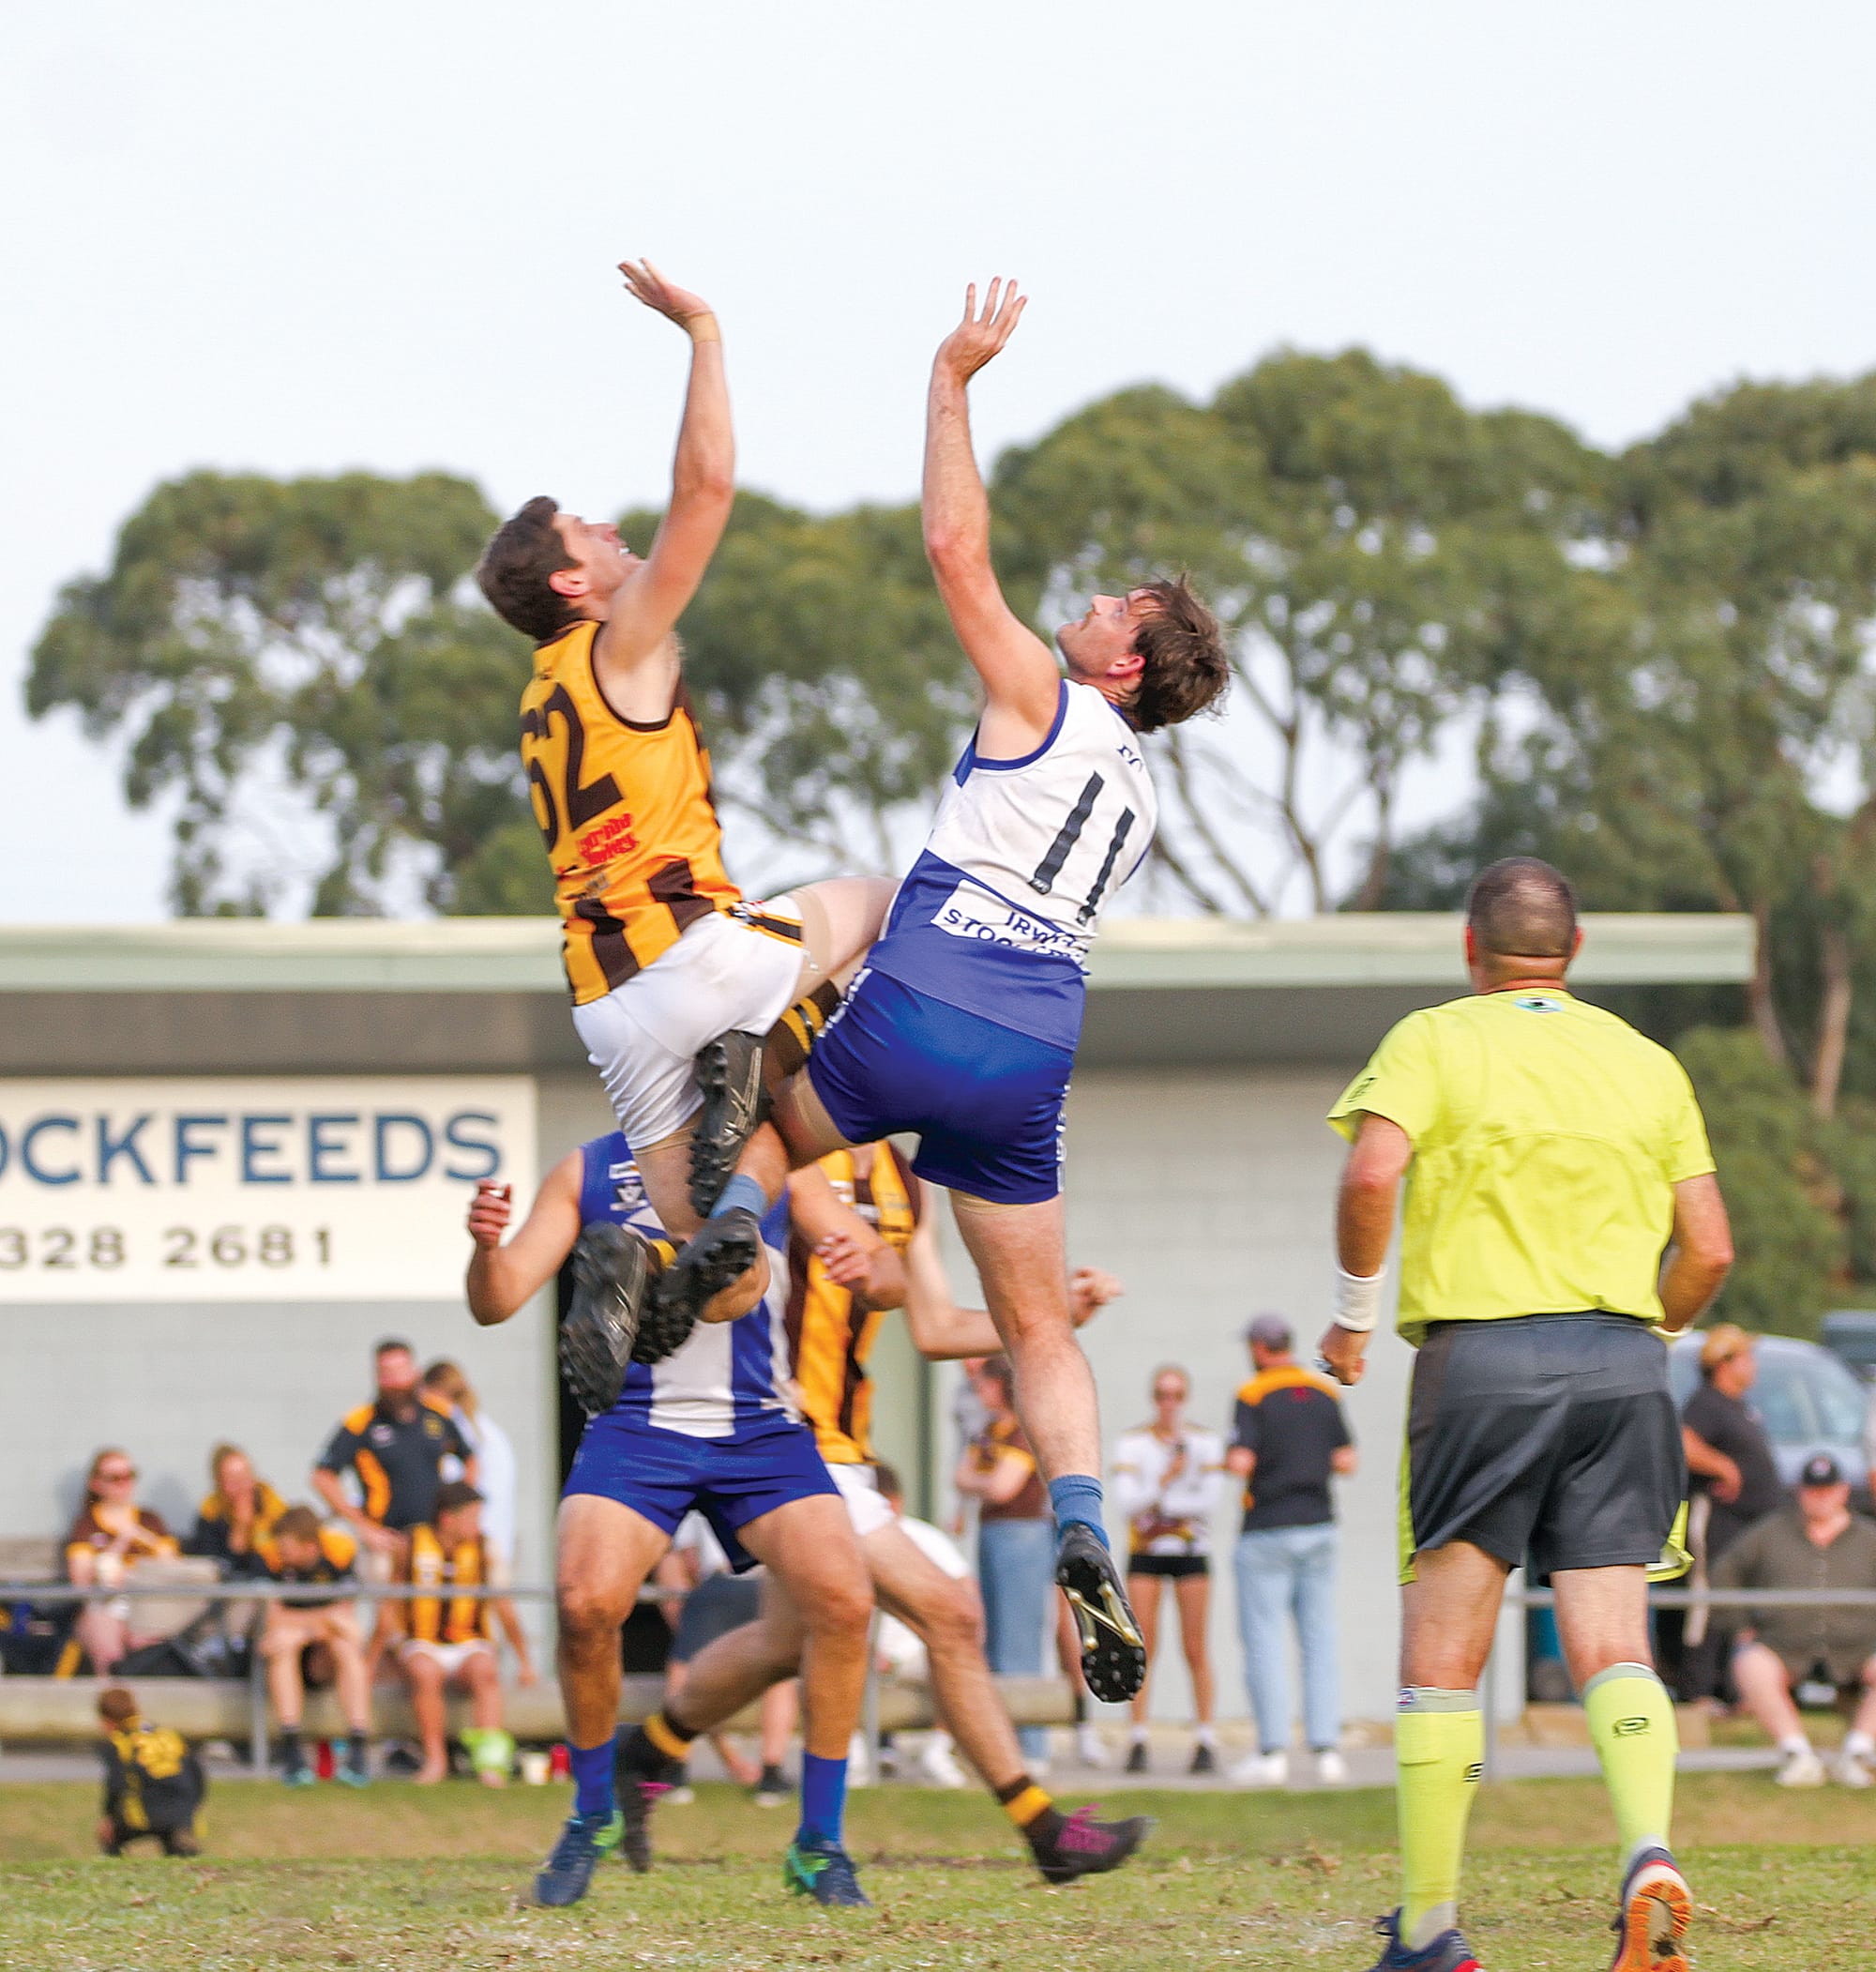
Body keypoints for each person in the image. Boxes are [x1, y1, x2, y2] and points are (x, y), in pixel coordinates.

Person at [756, 280, 1232, 1707]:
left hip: (932, 992)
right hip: (1033, 1044)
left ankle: (678, 1275)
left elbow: (953, 547)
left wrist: (951, 378)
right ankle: (1082, 1518)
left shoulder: (1048, 697)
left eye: (1108, 607)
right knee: (1037, 1330)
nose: (1081, 603)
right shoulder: (1139, 791)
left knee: (756, 1128)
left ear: (1125, 664)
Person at [1318, 857, 1733, 1972]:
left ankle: (1426, 1925)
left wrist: (1351, 1318)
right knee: (1612, 1641)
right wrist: (1646, 1336)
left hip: (1482, 1364)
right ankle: (1645, 1852)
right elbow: (1708, 1247)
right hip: (1622, 1363)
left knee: (1441, 1657)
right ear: (1573, 950)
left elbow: (1370, 1177)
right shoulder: (1644, 1060)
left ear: (1470, 949)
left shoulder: (1433, 1037)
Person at [475, 256, 890, 1347]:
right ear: (569, 583)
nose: (612, 529)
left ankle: (641, 1264)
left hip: (608, 1006)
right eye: (588, 532)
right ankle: (770, 1047)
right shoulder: (617, 643)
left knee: (738, 1275)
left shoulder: (542, 688)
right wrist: (703, 329)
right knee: (901, 901)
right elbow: (704, 493)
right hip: (695, 951)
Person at [617, 1153, 1144, 1884]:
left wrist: (1057, 1316)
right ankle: (1043, 1830)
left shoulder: (907, 1182)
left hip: (843, 1448)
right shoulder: (789, 1152)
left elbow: (933, 1327)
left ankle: (642, 1755)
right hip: (784, 1440)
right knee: (952, 1614)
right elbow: (828, 1264)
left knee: (781, 1643)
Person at [463, 1138, 876, 1909]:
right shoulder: (589, 1168)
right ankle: (593, 1816)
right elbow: (497, 1300)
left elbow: (884, 1276)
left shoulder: (776, 1159)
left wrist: (867, 1267)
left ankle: (820, 1844)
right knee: (584, 1605)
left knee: (846, 1602)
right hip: (637, 1429)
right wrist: (486, 1249)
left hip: (759, 1427)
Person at [1226, 1314, 1355, 1788]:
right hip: (1319, 1524)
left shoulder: (1252, 1394)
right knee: (1319, 1640)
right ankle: (1326, 1751)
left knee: (1264, 1642)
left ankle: (1273, 1751)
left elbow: (1240, 1461)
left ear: (1261, 1348)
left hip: (1267, 1528)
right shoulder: (1324, 1391)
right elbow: (1346, 1459)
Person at [1713, 1452, 1876, 1787]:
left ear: (1843, 1491)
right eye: (1813, 1491)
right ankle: (1797, 1754)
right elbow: (1724, 1572)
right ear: (1800, 1492)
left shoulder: (1868, 1537)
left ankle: (1858, 1752)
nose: (1820, 1498)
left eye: (1828, 1490)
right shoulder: (1770, 1532)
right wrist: (1741, 1625)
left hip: (1858, 1648)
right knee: (1752, 1664)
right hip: (1785, 1645)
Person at [375, 1480, 535, 1786]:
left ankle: (489, 1762)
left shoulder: (484, 1549)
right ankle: (435, 1759)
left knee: (485, 1669)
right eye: (472, 1517)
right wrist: (376, 1656)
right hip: (422, 1643)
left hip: (468, 1643)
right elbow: (390, 1603)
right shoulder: (412, 1544)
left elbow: (504, 1608)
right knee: (425, 1671)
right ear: (448, 1518)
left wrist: (525, 1662)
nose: (478, 1525)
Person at [1112, 1365, 1227, 1775]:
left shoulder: (1204, 1442)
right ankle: (1138, 1736)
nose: (1169, 1404)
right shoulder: (1133, 1443)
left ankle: (1205, 1735)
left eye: (1176, 1396)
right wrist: (1166, 1482)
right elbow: (1127, 1503)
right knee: (1142, 1645)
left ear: (1186, 1399)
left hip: (1191, 1552)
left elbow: (1209, 1501)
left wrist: (1162, 1504)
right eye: (1162, 1395)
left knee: (1195, 1646)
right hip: (1146, 1552)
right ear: (1153, 1398)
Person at [1676, 1325, 1786, 1699]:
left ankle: (1728, 1686)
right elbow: (1684, 1443)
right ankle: (1696, 1688)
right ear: (1724, 1363)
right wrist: (1721, 1465)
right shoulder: (1706, 1403)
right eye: (1746, 1357)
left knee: (1735, 1601)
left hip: (1747, 1524)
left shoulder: (1738, 1405)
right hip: (1717, 1520)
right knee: (1707, 1595)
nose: (1753, 1365)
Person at [957, 1357, 1056, 1766]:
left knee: (1019, 1643)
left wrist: (979, 1482)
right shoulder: (989, 1432)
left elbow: (1002, 1488)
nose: (978, 1390)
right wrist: (983, 1482)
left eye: (984, 1383)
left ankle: (1032, 1747)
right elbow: (961, 1477)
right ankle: (1005, 1748)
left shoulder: (1021, 1432)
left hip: (1023, 1536)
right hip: (994, 1532)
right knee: (996, 1644)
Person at [313, 1339, 475, 1564]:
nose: (395, 1383)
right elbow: (322, 1477)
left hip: (433, 1540)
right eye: (387, 1374)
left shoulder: (438, 1414)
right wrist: (362, 1526)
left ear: (415, 1373)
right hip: (388, 1541)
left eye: (400, 1372)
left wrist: (457, 1512)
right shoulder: (361, 1422)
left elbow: (471, 1459)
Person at [255, 1504, 371, 1788]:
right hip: (291, 1651)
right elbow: (272, 1619)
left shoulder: (339, 1555)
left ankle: (358, 1748)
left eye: (287, 1548)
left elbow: (346, 1618)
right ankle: (292, 1752)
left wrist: (303, 1630)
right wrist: (322, 1622)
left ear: (309, 1546)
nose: (281, 1553)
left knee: (345, 1646)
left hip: (323, 1656)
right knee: (283, 1646)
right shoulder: (269, 1559)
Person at [66, 1449, 179, 1676]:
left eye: (129, 1476)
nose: (124, 1484)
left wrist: (144, 1538)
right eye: (115, 1478)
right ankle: (113, 1694)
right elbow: (81, 1581)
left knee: (150, 1642)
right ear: (96, 1484)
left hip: (146, 1604)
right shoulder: (86, 1525)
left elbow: (174, 1569)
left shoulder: (150, 1520)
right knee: (108, 1648)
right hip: (104, 1606)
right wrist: (121, 1542)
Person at [421, 1360, 519, 1570]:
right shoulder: (491, 1431)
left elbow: (453, 1488)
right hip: (498, 1541)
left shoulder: (450, 1432)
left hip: (474, 1545)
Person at [95, 1688, 204, 1858]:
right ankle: (183, 1849)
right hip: (183, 1811)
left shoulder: (120, 1741)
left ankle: (115, 1866)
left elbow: (116, 1784)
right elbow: (197, 1772)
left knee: (111, 1834)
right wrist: (194, 1805)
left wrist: (108, 1817)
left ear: (107, 1721)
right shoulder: (167, 1734)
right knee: (175, 1841)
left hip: (148, 1812)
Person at [184, 1443, 287, 1575]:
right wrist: (240, 1530)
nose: (242, 1487)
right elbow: (214, 1569)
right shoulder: (211, 1515)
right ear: (219, 1483)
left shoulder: (274, 1508)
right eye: (232, 1481)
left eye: (245, 1477)